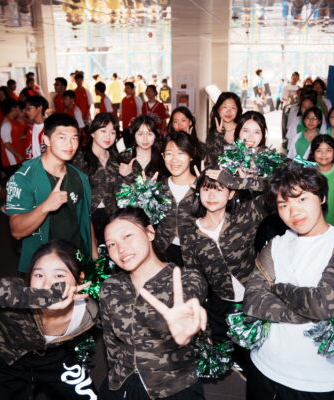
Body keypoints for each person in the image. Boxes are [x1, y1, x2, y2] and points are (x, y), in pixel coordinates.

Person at [243, 162, 334, 400]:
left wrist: (278, 289)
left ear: (322, 197)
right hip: (263, 365)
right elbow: (252, 300)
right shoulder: (276, 243)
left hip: (315, 380)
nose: (294, 212)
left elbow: (322, 304)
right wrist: (316, 310)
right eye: (284, 204)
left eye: (302, 199)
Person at [0, 239, 98, 400]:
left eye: (59, 275)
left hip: (54, 359)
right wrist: (35, 298)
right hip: (2, 358)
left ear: (80, 279)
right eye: (38, 275)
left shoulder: (88, 311)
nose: (47, 285)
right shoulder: (17, 294)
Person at [100, 207, 207, 399]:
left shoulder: (186, 279)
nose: (120, 249)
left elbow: (190, 298)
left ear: (150, 232)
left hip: (173, 387)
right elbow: (111, 343)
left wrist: (185, 325)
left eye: (127, 236)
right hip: (122, 384)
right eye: (111, 244)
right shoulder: (110, 287)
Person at [183, 167, 270, 346]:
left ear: (231, 193)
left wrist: (239, 182)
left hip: (256, 300)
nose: (211, 196)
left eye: (219, 189)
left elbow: (275, 188)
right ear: (199, 192)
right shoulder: (190, 233)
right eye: (206, 189)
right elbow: (193, 276)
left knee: (255, 354)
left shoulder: (245, 215)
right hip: (219, 306)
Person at [5, 113, 93, 273]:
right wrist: (45, 207)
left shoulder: (79, 177)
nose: (70, 144)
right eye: (62, 138)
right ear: (46, 140)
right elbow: (17, 231)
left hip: (76, 259)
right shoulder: (23, 177)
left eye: (74, 138)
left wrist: (94, 259)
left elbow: (86, 220)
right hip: (44, 267)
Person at [72, 113, 121, 244]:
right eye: (103, 131)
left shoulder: (116, 159)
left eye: (112, 132)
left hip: (111, 216)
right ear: (93, 133)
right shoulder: (79, 158)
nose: (108, 136)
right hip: (87, 217)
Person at [154, 131, 200, 267]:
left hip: (196, 256)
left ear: (191, 155)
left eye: (181, 153)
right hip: (162, 253)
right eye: (168, 154)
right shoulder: (158, 187)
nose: (174, 160)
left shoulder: (204, 188)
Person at [118, 115, 165, 181]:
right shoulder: (124, 157)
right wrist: (125, 176)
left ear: (155, 136)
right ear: (134, 135)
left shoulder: (162, 159)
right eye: (140, 134)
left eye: (149, 134)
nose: (145, 139)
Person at [206, 92, 242, 164]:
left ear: (238, 110)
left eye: (233, 108)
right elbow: (214, 159)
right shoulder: (213, 133)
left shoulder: (243, 130)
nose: (229, 111)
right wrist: (218, 136)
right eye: (225, 107)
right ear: (218, 109)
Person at [0, 99, 26, 180]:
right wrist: (19, 156)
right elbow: (7, 144)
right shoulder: (6, 124)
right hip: (11, 160)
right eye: (16, 107)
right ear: (13, 109)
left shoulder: (11, 122)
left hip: (16, 159)